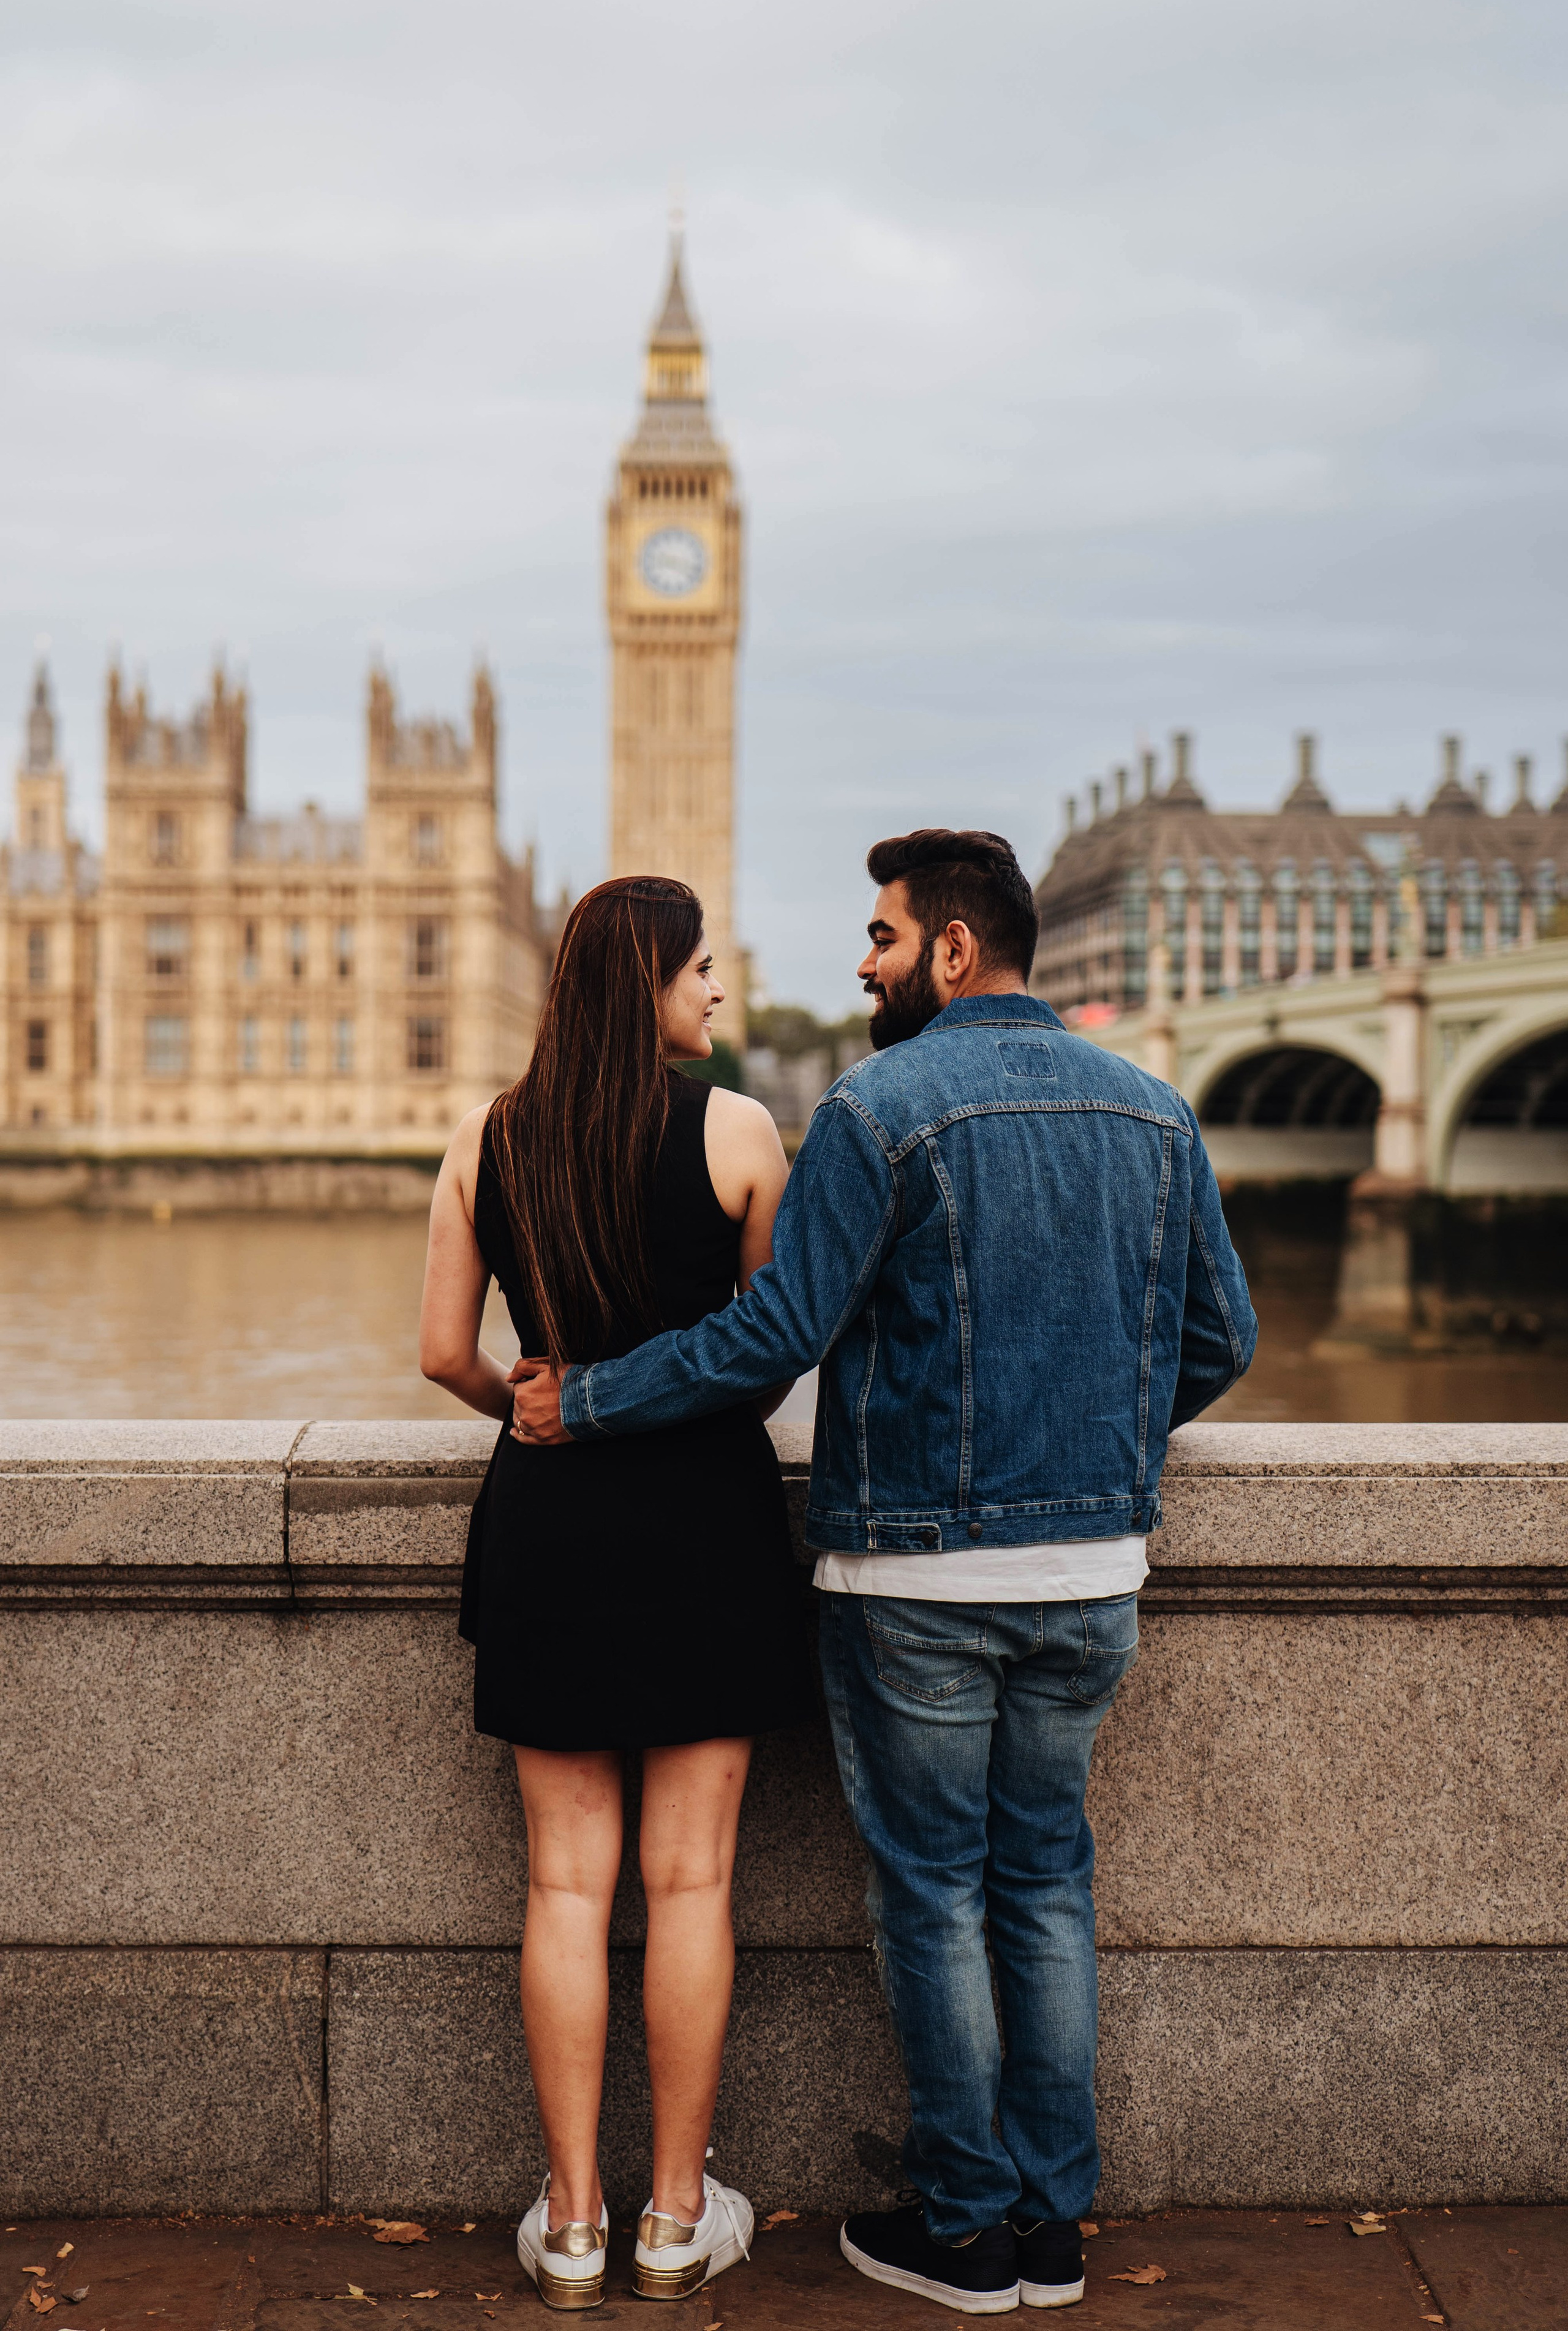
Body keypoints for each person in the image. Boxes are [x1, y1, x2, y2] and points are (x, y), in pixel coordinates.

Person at [514, 829, 1257, 2316]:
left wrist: (580, 1399)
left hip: (920, 1572)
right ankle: (1053, 2229)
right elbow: (1219, 1341)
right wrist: (1094, 1447)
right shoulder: (1160, 1113)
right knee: (1044, 1882)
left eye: (880, 936)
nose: (860, 961)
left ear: (953, 952)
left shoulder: (878, 1110)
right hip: (1093, 1573)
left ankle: (965, 2227)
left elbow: (768, 1338)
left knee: (934, 1897)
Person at [418, 875, 813, 2313]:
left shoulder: (487, 1133)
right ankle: (674, 2217)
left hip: (551, 1533)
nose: (717, 989)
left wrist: (531, 1403)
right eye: (699, 967)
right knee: (692, 1881)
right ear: (643, 980)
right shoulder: (738, 1132)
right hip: (704, 1524)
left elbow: (440, 1354)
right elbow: (767, 1353)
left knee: (565, 1888)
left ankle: (572, 2222)